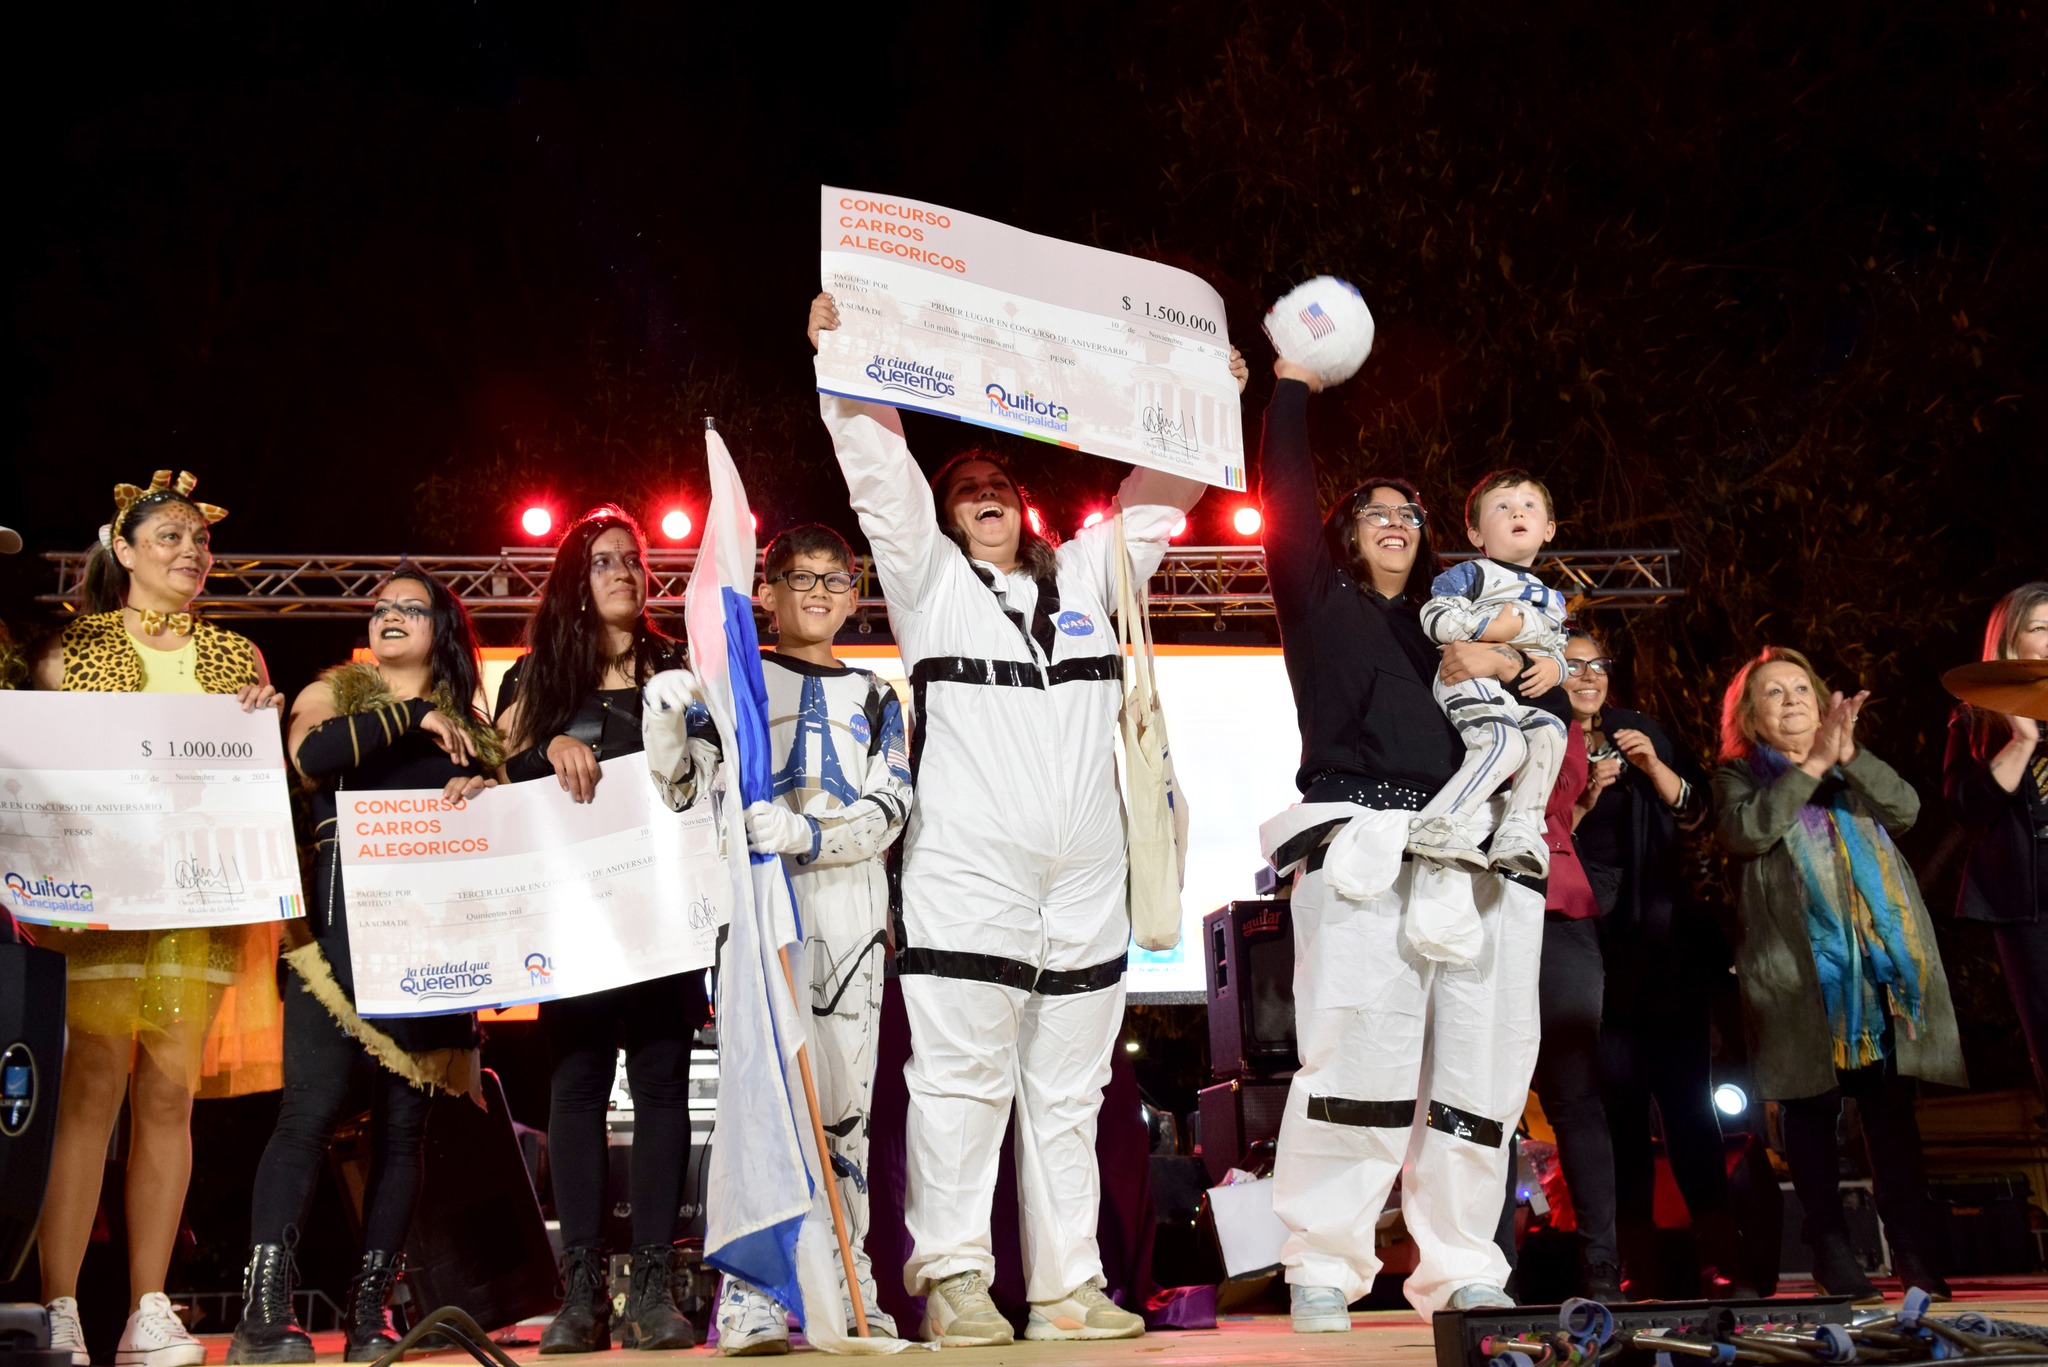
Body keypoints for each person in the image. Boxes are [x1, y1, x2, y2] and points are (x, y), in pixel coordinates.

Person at [807, 292, 1236, 1347]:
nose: (983, 494)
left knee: (1069, 1089)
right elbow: (879, 479)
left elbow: (1152, 500)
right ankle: (954, 1277)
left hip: (1086, 876)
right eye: (966, 490)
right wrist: (844, 359)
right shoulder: (928, 585)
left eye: (999, 484)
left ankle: (1063, 1286)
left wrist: (1201, 405)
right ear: (949, 518)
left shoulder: (1092, 575)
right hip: (969, 871)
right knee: (959, 1084)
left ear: (1026, 505)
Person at [1254, 362, 1557, 1329]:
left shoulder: (1453, 628)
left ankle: (1466, 1261)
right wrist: (1291, 388)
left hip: (1474, 854)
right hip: (1362, 845)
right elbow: (1287, 501)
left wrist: (1521, 657)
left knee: (1483, 1066)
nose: (1394, 520)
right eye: (1373, 510)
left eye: (1410, 512)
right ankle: (1321, 1266)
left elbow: (1557, 662)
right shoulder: (1320, 605)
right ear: (1344, 532)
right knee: (1354, 1058)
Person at [32, 471, 284, 1367]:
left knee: (170, 1094)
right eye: (169, 536)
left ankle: (149, 1307)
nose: (190, 551)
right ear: (124, 550)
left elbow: (258, 779)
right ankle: (57, 1304)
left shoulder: (237, 660)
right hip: (105, 900)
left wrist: (265, 723)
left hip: (196, 897)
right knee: (91, 1091)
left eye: (199, 539)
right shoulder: (71, 654)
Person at [228, 567, 500, 1365]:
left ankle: (371, 1315)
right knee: (307, 1114)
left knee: (404, 1132)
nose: (389, 615)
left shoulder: (475, 728)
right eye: (380, 605)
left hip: (434, 942)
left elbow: (508, 823)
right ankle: (263, 1314)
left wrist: (480, 788)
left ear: (442, 628)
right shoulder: (335, 692)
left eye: (409, 607)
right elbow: (310, 759)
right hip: (337, 942)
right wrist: (414, 714)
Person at [497, 505, 711, 1353]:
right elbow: (502, 772)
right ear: (575, 581)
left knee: (662, 1087)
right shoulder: (536, 678)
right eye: (604, 560)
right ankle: (581, 1291)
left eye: (634, 558)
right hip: (576, 917)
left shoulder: (680, 666)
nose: (625, 570)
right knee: (577, 1086)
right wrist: (548, 743)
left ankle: (652, 1287)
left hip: (666, 915)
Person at [712, 524, 914, 1355]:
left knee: (844, 1113)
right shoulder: (737, 681)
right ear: (768, 588)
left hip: (850, 918)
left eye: (837, 580)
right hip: (761, 913)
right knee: (759, 1101)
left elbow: (891, 804)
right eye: (801, 578)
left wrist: (807, 834)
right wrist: (669, 733)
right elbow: (690, 785)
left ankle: (846, 1278)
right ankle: (751, 1292)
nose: (820, 594)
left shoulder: (876, 694)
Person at [1714, 646, 1963, 1302]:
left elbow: (1906, 809)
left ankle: (1911, 1247)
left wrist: (1846, 756)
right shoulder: (1739, 776)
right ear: (1750, 714)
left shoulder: (1852, 774)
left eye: (1803, 687)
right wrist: (1813, 765)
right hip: (1800, 977)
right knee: (1811, 1109)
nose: (1794, 699)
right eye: (1775, 692)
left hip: (1877, 973)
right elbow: (1748, 832)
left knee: (1890, 1113)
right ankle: (1829, 1245)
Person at [1563, 631, 1747, 1297]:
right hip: (1589, 951)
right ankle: (1629, 1261)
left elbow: (1701, 814)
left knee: (1691, 1108)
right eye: (1571, 663)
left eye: (1596, 664)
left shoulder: (1642, 731)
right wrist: (1582, 797)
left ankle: (1719, 1257)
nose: (1586, 675)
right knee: (1616, 1115)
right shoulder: (1539, 737)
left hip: (1663, 949)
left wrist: (1657, 770)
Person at [1406, 472, 1568, 892]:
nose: (1517, 511)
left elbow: (1556, 648)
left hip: (1505, 692)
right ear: (1475, 532)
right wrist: (1492, 626)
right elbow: (1436, 617)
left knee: (1548, 731)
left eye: (1530, 505)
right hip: (1464, 680)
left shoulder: (1553, 598)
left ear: (1548, 528)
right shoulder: (1472, 574)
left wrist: (1555, 669)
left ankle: (1520, 828)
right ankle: (1439, 823)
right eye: (1502, 506)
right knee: (1504, 743)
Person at [1523, 713, 1622, 1300]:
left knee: (1575, 1094)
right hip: (1472, 899)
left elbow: (1556, 795)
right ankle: (1485, 1268)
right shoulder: (1454, 692)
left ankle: (1602, 1263)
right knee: (1476, 1096)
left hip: (1557, 910)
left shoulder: (1556, 714)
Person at [1944, 583, 2048, 1104]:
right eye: (2041, 629)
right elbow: (1967, 806)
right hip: (2028, 907)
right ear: (2010, 643)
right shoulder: (1975, 716)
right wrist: (2022, 741)